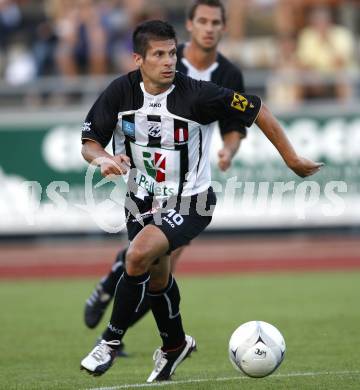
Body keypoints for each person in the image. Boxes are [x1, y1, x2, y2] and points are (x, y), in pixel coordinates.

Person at [79, 19, 322, 382]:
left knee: (136, 256)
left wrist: (291, 158)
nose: (168, 61)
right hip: (140, 202)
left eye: (172, 53)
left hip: (190, 202)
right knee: (158, 279)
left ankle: (110, 342)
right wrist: (105, 159)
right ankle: (175, 346)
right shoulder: (119, 92)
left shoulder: (198, 94)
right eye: (158, 54)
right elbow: (89, 143)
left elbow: (255, 109)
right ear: (138, 59)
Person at [84, 0, 247, 337]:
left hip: (188, 180)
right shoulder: (166, 58)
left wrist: (228, 150)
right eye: (202, 21)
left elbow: (236, 122)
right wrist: (108, 157)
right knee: (145, 255)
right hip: (147, 182)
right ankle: (109, 291)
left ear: (223, 28)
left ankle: (120, 332)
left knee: (161, 260)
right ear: (190, 26)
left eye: (216, 22)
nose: (209, 28)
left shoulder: (228, 74)